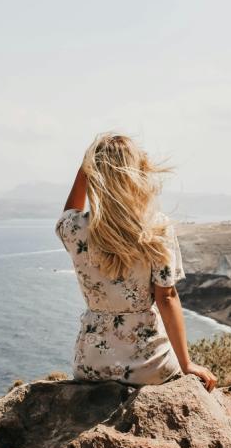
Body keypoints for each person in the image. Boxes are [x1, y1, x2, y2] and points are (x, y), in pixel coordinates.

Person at [55, 131, 217, 391]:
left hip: (91, 365)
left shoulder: (75, 229)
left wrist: (85, 168)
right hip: (148, 366)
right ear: (137, 174)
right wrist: (187, 364)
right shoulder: (156, 229)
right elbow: (166, 298)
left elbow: (67, 213)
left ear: (93, 174)